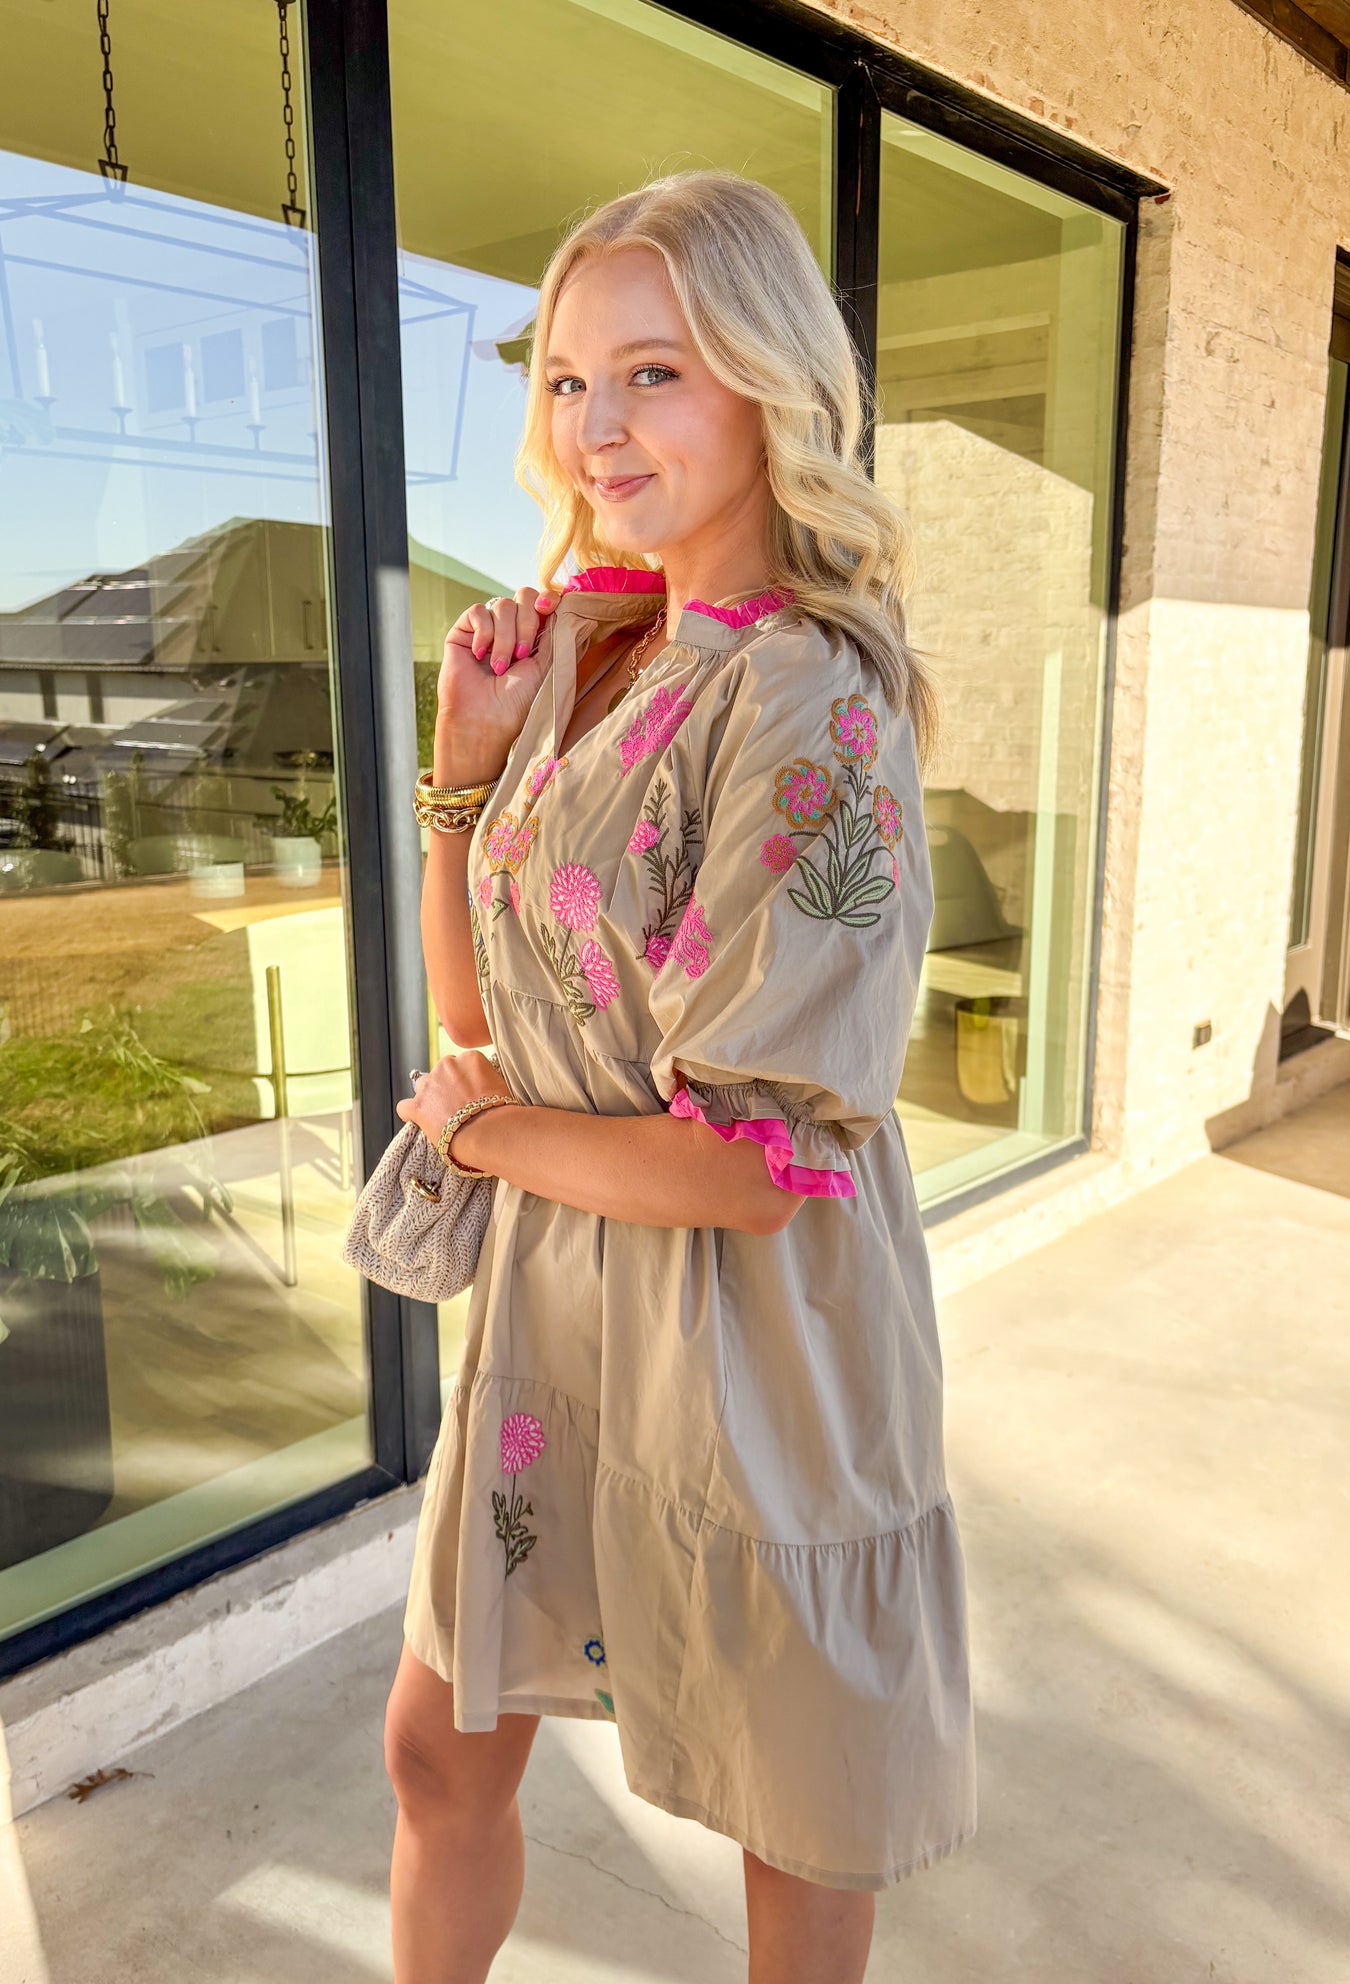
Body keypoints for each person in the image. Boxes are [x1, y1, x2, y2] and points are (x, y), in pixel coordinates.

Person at [384, 167, 977, 1984]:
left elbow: (745, 1163)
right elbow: (476, 1018)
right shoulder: (583, 643)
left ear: (767, 381)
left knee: (789, 1826)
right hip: (558, 1320)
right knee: (433, 1752)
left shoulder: (808, 695)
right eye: (567, 380)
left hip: (754, 1339)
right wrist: (464, 775)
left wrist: (476, 1131)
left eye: (654, 372)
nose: (595, 427)